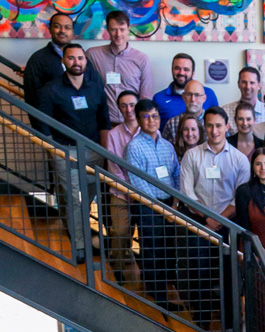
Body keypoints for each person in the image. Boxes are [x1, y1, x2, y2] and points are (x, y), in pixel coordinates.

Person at [179, 106, 250, 331]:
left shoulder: (239, 160)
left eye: (219, 125)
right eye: (209, 125)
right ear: (204, 127)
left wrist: (220, 219)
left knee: (230, 274)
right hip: (200, 223)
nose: (214, 130)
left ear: (227, 127)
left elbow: (240, 196)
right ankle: (202, 322)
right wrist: (207, 218)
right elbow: (187, 194)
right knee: (198, 271)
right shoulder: (192, 155)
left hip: (229, 224)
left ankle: (230, 324)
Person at [37, 43, 110, 262]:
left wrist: (105, 153)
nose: (76, 62)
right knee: (73, 199)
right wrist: (53, 152)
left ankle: (77, 231)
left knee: (86, 198)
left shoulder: (96, 88)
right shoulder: (51, 90)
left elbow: (104, 121)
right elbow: (44, 126)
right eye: (71, 58)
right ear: (63, 61)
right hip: (65, 152)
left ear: (86, 62)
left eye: (80, 58)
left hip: (93, 151)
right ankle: (80, 247)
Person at [124, 99, 180, 310]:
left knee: (168, 250)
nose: (151, 121)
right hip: (148, 207)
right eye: (146, 117)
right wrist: (161, 209)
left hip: (169, 206)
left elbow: (176, 175)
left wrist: (174, 203)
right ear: (138, 120)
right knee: (152, 251)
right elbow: (138, 184)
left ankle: (167, 289)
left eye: (154, 116)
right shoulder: (134, 147)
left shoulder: (167, 146)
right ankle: (158, 297)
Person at [102, 89, 143, 290]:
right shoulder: (113, 135)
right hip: (120, 193)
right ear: (119, 109)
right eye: (124, 106)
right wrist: (130, 191)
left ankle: (148, 277)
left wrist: (140, 192)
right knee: (119, 233)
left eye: (132, 105)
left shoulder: (149, 130)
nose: (128, 110)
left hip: (145, 196)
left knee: (147, 237)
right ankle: (117, 272)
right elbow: (114, 169)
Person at [85, 10, 152, 125]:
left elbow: (146, 96)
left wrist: (142, 125)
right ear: (107, 30)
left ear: (128, 29)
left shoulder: (142, 59)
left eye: (122, 29)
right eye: (113, 29)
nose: (118, 34)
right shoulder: (93, 55)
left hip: (133, 124)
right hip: (104, 124)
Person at [24, 13, 78, 116]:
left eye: (67, 27)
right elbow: (32, 97)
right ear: (50, 29)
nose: (62, 31)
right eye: (57, 26)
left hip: (80, 125)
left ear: (72, 32)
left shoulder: (81, 58)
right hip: (53, 124)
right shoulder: (38, 59)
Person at [161, 79, 208, 143]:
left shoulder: (212, 123)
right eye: (189, 94)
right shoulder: (172, 124)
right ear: (183, 96)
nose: (193, 99)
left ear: (204, 98)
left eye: (197, 95)